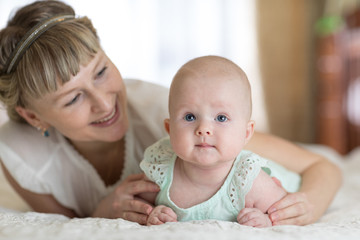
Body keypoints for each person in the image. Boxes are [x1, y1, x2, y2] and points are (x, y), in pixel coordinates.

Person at [0, 0, 341, 226]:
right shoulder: (19, 154)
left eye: (101, 71)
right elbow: (63, 225)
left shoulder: (174, 113)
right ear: (33, 118)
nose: (104, 104)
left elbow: (320, 165)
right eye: (73, 98)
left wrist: (309, 203)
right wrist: (104, 211)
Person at [140, 56, 302, 227]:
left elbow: (285, 211)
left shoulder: (250, 181)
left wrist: (266, 219)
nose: (204, 128)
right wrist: (153, 212)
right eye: (190, 117)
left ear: (246, 133)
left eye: (221, 117)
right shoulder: (160, 171)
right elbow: (139, 203)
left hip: (285, 178)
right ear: (169, 129)